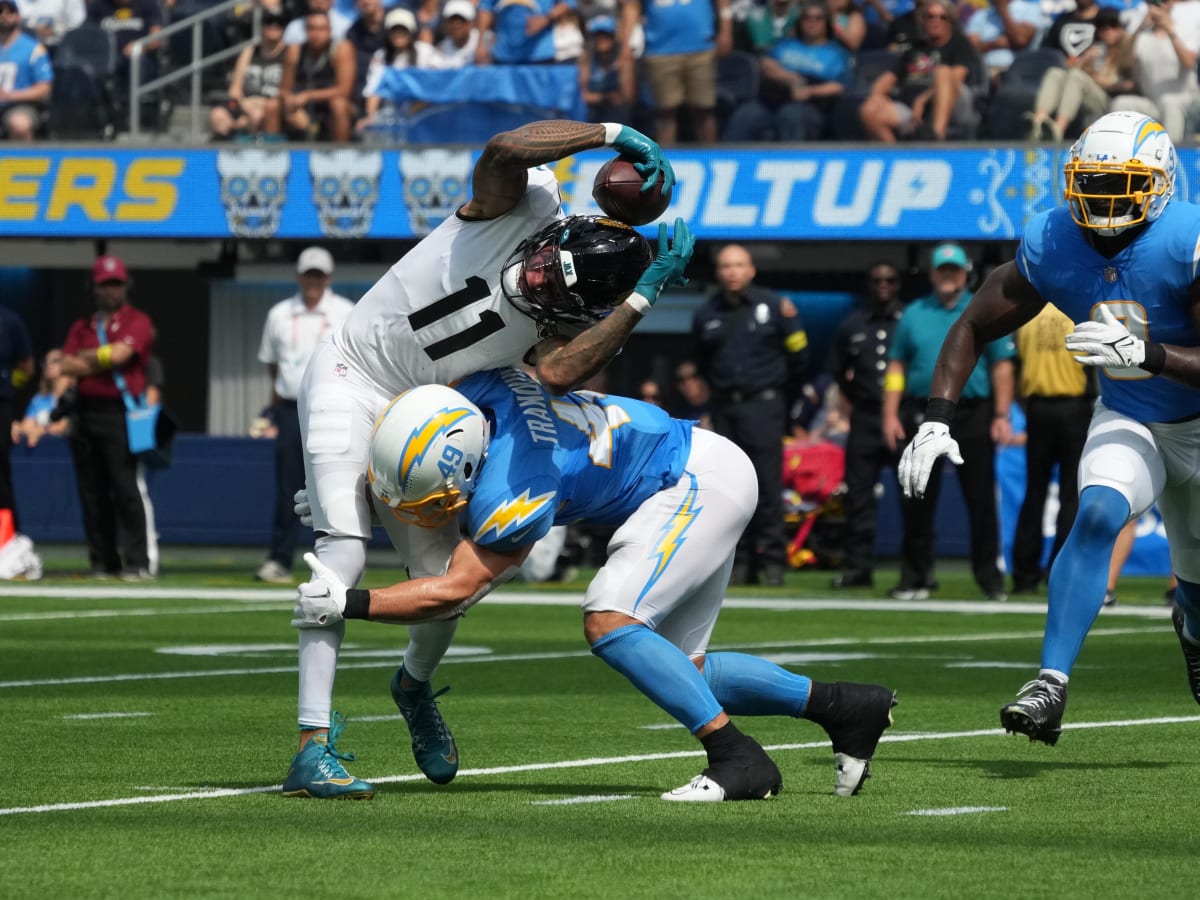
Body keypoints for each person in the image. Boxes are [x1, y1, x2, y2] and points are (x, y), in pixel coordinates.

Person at [282, 118, 684, 801]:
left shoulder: (576, 320)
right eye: (537, 267)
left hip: (431, 411)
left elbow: (559, 372)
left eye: (550, 291)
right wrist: (609, 131)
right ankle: (310, 745)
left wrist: (642, 299)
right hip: (352, 373)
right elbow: (502, 150)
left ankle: (411, 686)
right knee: (341, 552)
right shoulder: (522, 205)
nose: (531, 283)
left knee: (443, 594)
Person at [292, 372, 899, 801]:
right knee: (681, 669)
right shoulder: (477, 391)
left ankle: (739, 758)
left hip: (690, 480)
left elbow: (455, 590)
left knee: (609, 619)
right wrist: (357, 503)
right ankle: (844, 706)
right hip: (700, 461)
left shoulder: (517, 488)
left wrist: (349, 602)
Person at [896, 110, 1200, 746]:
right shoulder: (1054, 238)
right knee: (1095, 514)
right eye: (1093, 182)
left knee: (1197, 588)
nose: (1103, 199)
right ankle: (1050, 682)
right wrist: (934, 422)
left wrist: (1151, 355)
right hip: (1132, 418)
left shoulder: (1186, 240)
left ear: (1161, 184)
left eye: (1121, 184)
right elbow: (972, 324)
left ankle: (1191, 624)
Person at [883, 243, 1014, 603]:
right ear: (932, 274)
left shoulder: (983, 306)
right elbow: (897, 366)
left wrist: (1002, 415)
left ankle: (990, 578)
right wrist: (890, 413)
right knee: (917, 494)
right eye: (942, 270)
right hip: (922, 412)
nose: (948, 277)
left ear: (964, 273)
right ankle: (915, 577)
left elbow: (1001, 365)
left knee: (980, 498)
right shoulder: (914, 313)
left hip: (973, 412)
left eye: (954, 271)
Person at [692, 243, 809, 588]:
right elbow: (701, 361)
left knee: (768, 488)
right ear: (718, 272)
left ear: (751, 270)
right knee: (729, 490)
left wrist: (780, 395)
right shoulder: (706, 312)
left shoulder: (775, 307)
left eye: (739, 265)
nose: (732, 271)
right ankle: (738, 564)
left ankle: (773, 563)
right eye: (726, 266)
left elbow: (800, 359)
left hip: (765, 406)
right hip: (725, 407)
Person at [255, 247, 355, 585]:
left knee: (333, 485)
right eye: (308, 274)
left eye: (319, 275)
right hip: (288, 407)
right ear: (299, 276)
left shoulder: (345, 311)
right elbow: (272, 364)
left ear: (328, 278)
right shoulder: (279, 314)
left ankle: (336, 563)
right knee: (287, 487)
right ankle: (279, 559)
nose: (313, 281)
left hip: (331, 408)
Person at [58, 255, 157, 581]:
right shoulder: (82, 326)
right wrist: (99, 359)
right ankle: (103, 561)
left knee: (125, 487)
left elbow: (121, 355)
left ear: (125, 285)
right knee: (92, 491)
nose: (110, 291)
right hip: (86, 412)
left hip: (120, 413)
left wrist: (85, 361)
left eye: (115, 284)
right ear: (94, 288)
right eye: (104, 285)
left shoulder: (137, 321)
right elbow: (63, 366)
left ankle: (137, 561)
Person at [827, 261, 904, 589]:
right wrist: (855, 399)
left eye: (889, 279)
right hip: (864, 417)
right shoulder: (852, 324)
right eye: (876, 280)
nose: (883, 285)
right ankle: (858, 569)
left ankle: (916, 571)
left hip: (903, 419)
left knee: (913, 496)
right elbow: (837, 370)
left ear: (898, 284)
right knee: (858, 497)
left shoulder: (908, 321)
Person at [1009, 303, 1093, 594]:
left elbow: (1017, 368)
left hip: (1038, 409)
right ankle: (1060, 572)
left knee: (1035, 492)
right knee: (1071, 494)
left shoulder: (1028, 315)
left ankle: (1023, 574)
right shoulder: (1078, 311)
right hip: (1074, 408)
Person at [858, 0, 981, 142]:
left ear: (950, 22)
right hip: (910, 108)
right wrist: (877, 95)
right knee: (869, 110)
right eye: (930, 17)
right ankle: (897, 157)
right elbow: (888, 78)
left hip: (952, 103)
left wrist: (922, 100)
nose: (936, 21)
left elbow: (956, 79)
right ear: (923, 21)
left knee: (943, 72)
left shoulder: (960, 44)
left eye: (942, 17)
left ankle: (936, 139)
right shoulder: (914, 48)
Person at [616, 0, 733, 145]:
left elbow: (723, 3)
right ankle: (664, 162)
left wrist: (726, 31)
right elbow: (631, 6)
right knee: (665, 112)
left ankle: (713, 158)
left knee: (704, 109)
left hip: (701, 46)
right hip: (660, 50)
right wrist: (626, 46)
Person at [1025, 7, 1134, 143]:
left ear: (1121, 28)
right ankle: (1038, 123)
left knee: (1076, 77)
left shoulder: (1130, 48)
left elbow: (1129, 84)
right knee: (1055, 73)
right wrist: (1084, 59)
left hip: (1111, 100)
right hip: (1089, 94)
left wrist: (1101, 81)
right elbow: (1069, 72)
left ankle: (1057, 130)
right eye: (1102, 26)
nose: (1108, 30)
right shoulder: (1097, 49)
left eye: (1113, 25)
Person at [208, 7, 287, 140]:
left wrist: (261, 103)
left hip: (273, 106)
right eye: (269, 22)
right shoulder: (249, 52)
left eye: (279, 23)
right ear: (261, 26)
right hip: (246, 103)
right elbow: (235, 90)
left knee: (257, 115)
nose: (273, 26)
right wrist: (244, 105)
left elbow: (288, 89)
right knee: (218, 115)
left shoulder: (288, 53)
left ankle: (256, 153)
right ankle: (223, 156)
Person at [280, 9, 357, 142]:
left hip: (329, 104)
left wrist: (308, 96)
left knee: (338, 104)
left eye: (321, 29)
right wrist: (289, 104)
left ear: (330, 30)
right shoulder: (295, 51)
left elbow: (344, 90)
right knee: (273, 105)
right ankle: (269, 156)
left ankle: (342, 154)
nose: (316, 34)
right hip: (301, 107)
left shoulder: (341, 49)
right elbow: (284, 88)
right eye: (312, 29)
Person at [0, 0, 54, 142]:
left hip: (21, 105)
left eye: (10, 11)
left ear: (18, 16)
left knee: (20, 124)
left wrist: (9, 96)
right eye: (0, 11)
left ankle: (20, 163)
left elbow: (44, 88)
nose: (4, 15)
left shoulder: (33, 48)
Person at [0, 303, 33, 529]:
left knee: (0, 475)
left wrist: (6, 385)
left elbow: (27, 368)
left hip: (1, 405)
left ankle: (9, 541)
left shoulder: (9, 321)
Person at [13, 348, 68, 448]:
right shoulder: (38, 400)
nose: (48, 364)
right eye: (46, 361)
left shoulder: (76, 396)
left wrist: (41, 430)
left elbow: (65, 426)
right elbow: (27, 426)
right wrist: (18, 427)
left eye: (55, 360)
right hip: (42, 452)